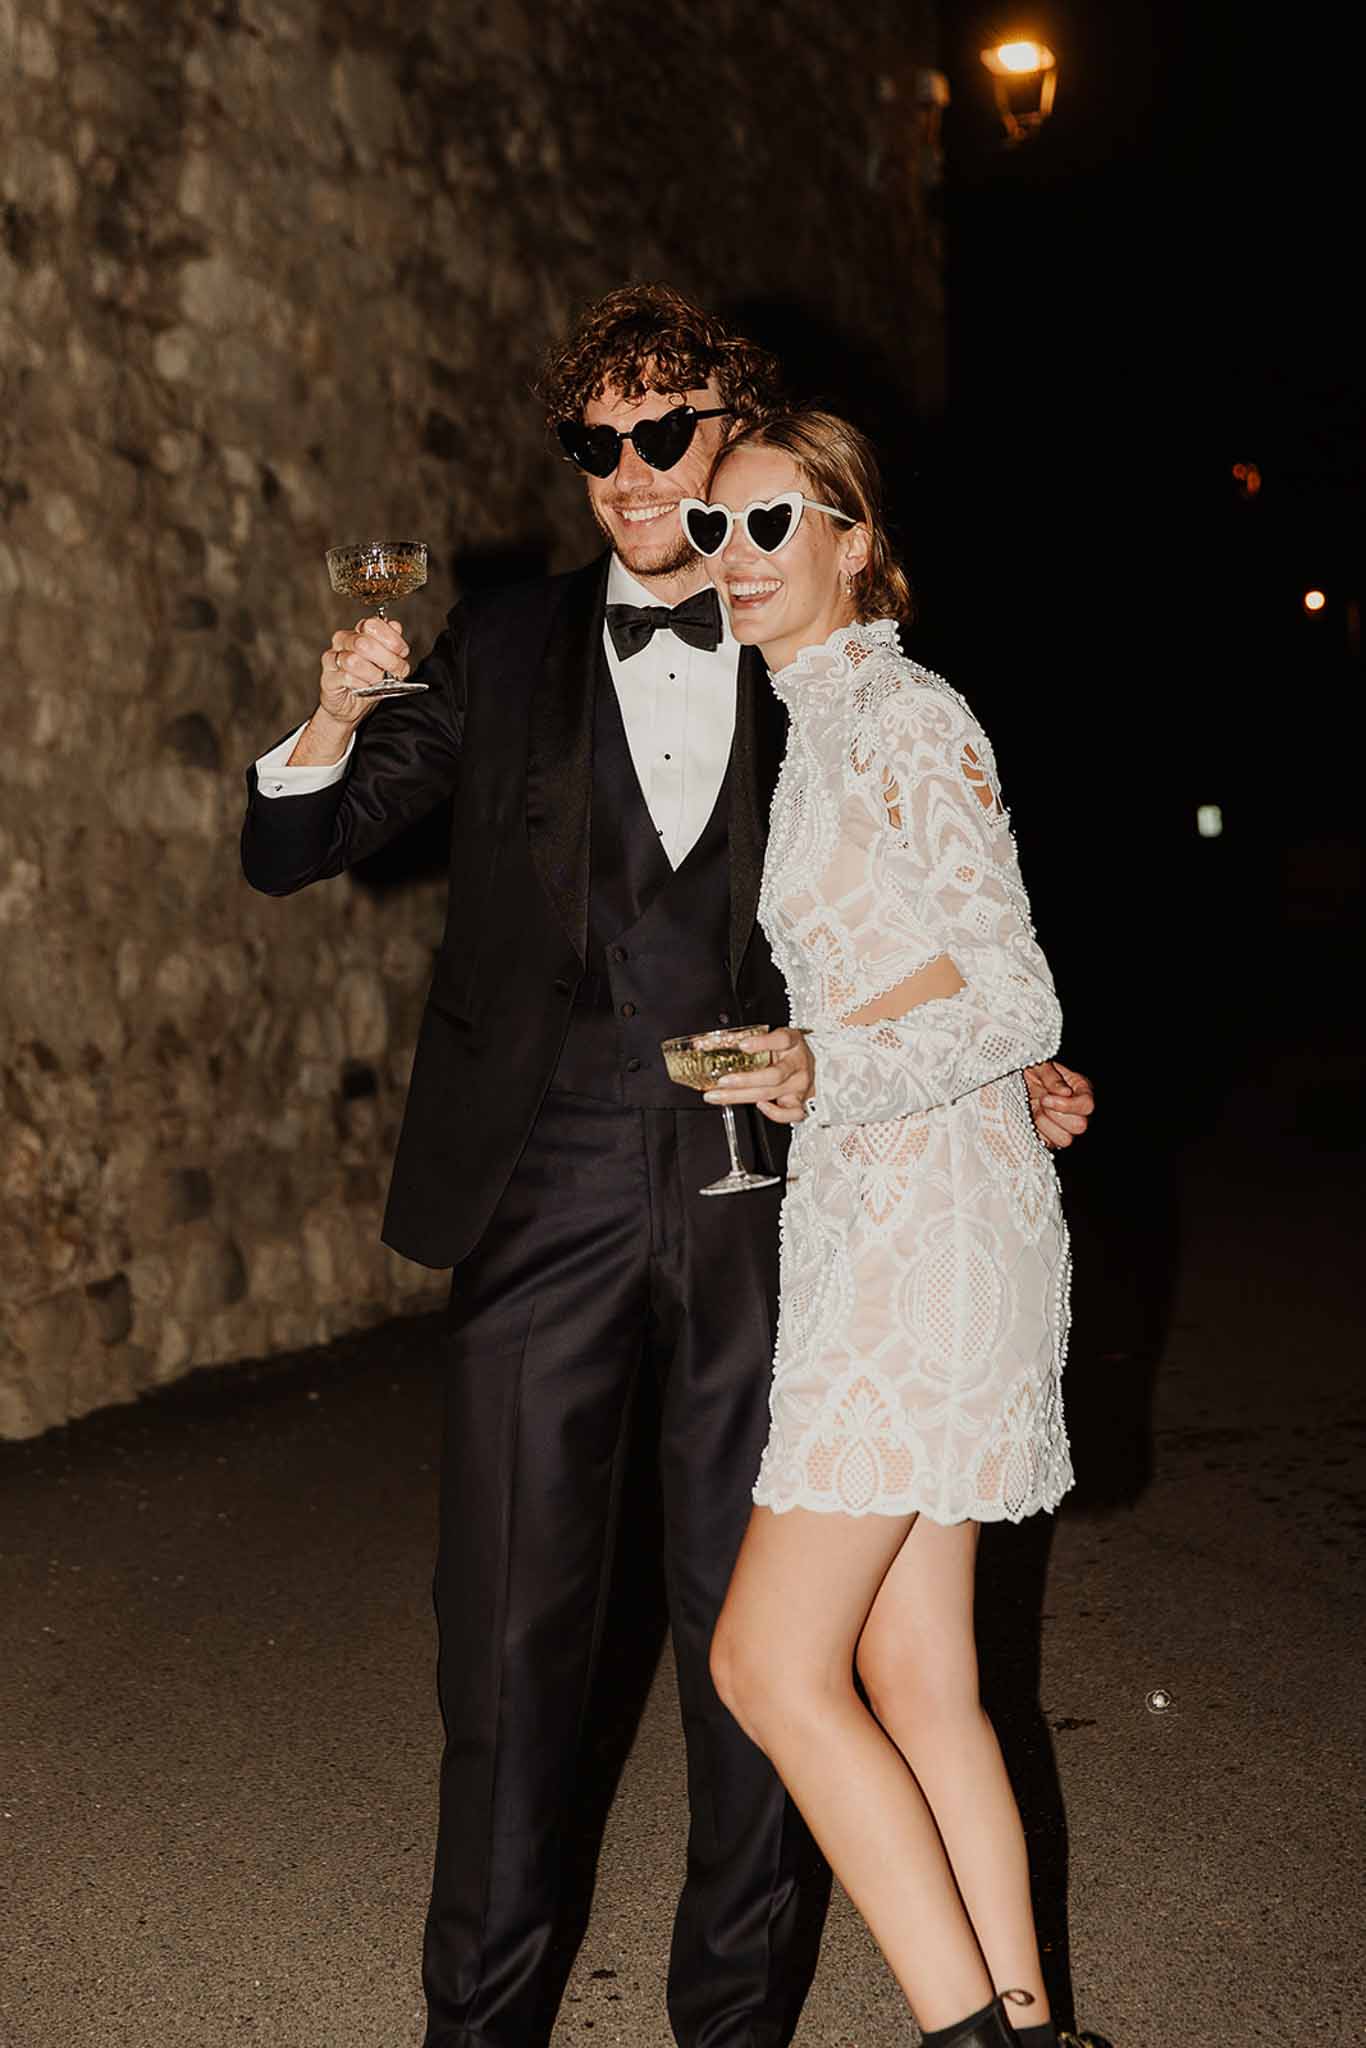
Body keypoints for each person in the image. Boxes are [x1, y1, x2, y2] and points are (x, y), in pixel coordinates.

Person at [240, 285, 1095, 2048]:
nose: (630, 478)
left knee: (758, 1664)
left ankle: (734, 2028)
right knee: (504, 1651)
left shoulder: (808, 639)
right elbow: (294, 844)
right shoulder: (492, 644)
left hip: (786, 1201)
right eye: (594, 445)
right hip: (539, 1183)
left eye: (666, 436)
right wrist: (330, 713)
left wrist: (1009, 1069)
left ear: (745, 444)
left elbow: (939, 935)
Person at [684, 409, 1111, 2048]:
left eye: (770, 522)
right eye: (714, 531)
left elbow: (1012, 984)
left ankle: (971, 2038)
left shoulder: (897, 718)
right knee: (923, 1676)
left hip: (917, 1244)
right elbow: (936, 983)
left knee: (769, 1668)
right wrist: (837, 1057)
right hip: (908, 1204)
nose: (735, 557)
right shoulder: (828, 722)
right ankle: (1027, 2019)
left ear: (853, 540)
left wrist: (831, 1060)